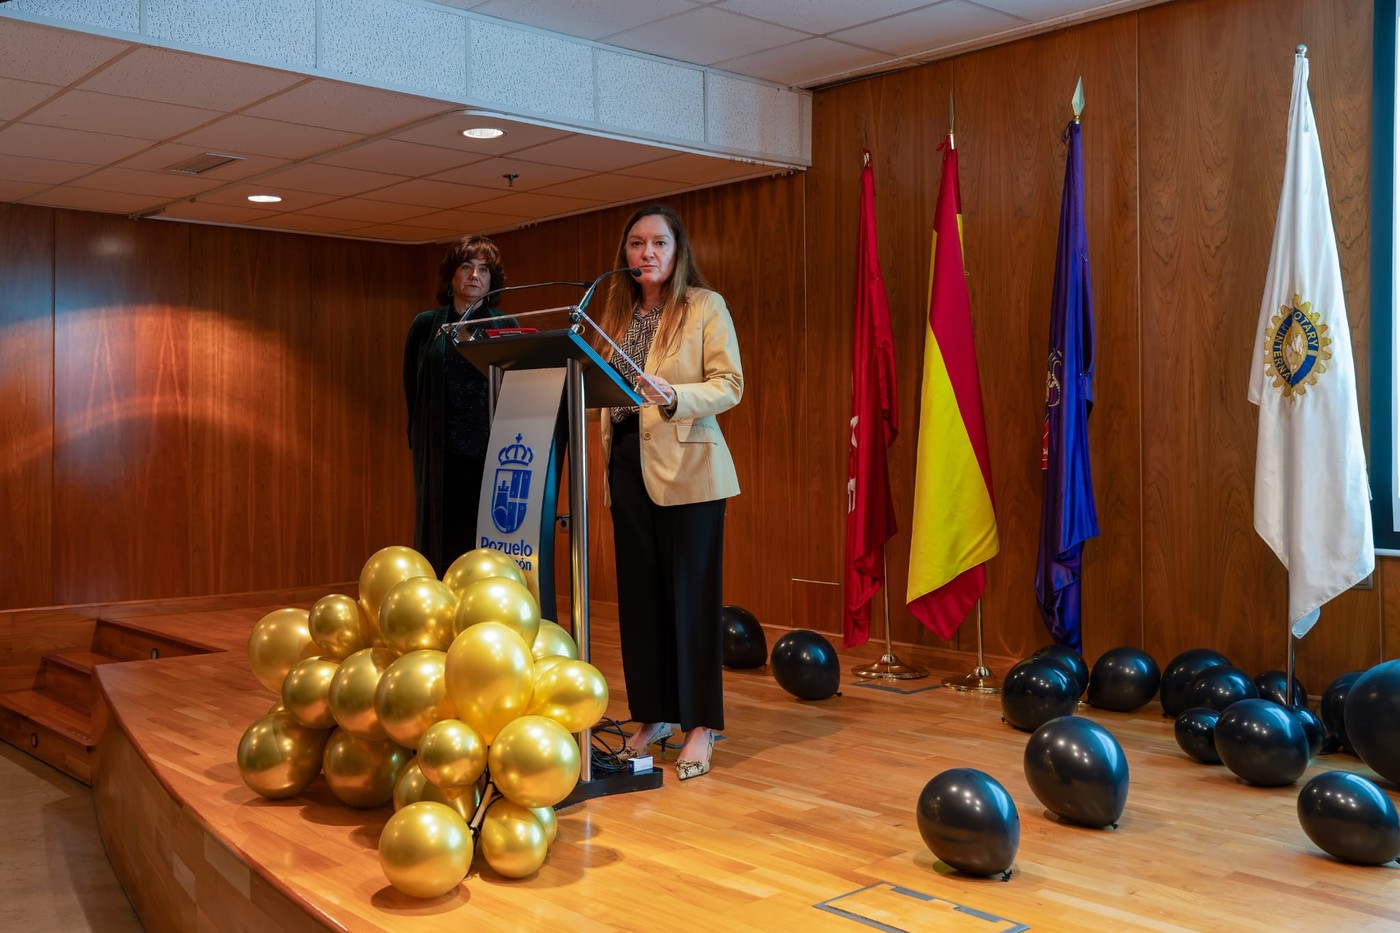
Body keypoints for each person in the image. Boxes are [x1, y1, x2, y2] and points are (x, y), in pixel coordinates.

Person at [597, 204, 743, 782]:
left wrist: (674, 393)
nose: (646, 253)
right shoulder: (615, 311)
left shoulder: (705, 307)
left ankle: (701, 725)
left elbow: (729, 384)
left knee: (690, 599)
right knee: (640, 601)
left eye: (658, 243)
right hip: (628, 464)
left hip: (690, 469)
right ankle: (653, 716)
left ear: (677, 251)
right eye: (636, 244)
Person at [403, 236, 510, 577]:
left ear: (492, 280)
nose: (474, 275)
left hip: (491, 453)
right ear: (451, 276)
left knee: (483, 542)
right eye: (466, 266)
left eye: (483, 269)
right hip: (440, 453)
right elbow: (412, 387)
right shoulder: (426, 325)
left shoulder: (505, 326)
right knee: (440, 540)